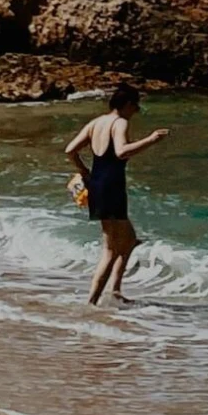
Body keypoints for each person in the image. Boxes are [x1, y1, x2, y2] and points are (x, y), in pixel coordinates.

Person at [65, 83, 168, 305]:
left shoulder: (95, 123)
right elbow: (121, 152)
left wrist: (84, 171)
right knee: (110, 250)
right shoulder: (119, 123)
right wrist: (151, 140)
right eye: (136, 106)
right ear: (128, 104)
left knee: (129, 239)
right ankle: (91, 302)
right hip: (112, 187)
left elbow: (70, 150)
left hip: (98, 186)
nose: (136, 111)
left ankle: (116, 290)